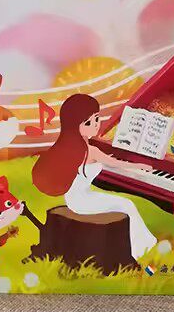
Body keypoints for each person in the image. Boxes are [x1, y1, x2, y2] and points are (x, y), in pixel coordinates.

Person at [32, 93, 157, 260]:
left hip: (74, 200)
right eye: (89, 122)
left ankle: (134, 246)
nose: (96, 125)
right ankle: (139, 250)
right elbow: (115, 163)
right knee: (127, 204)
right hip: (84, 201)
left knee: (123, 204)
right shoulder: (91, 150)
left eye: (97, 119)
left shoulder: (68, 147)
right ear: (74, 125)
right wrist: (139, 166)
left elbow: (105, 162)